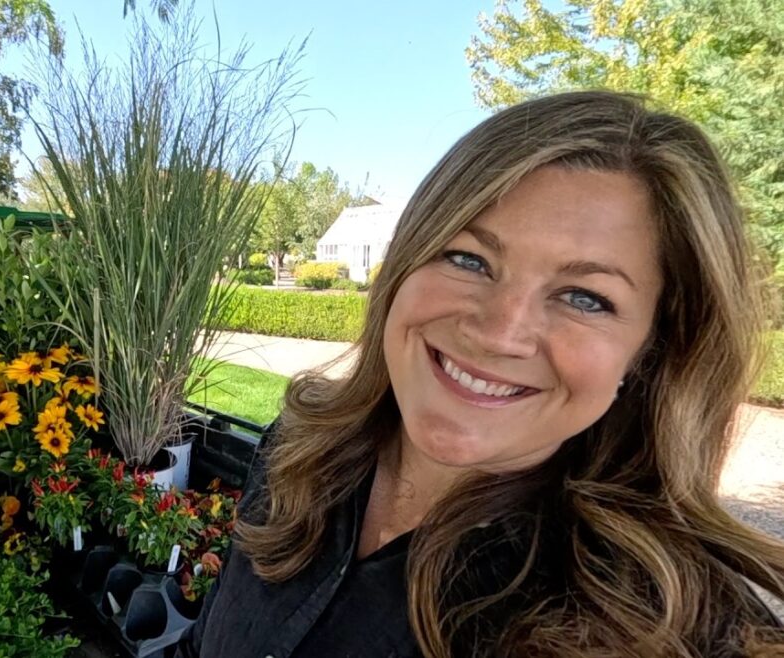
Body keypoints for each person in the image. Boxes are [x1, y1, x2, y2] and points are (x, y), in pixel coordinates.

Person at [176, 90, 784, 658]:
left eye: (585, 298)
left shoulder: (672, 627)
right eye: (469, 259)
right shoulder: (299, 451)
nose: (499, 332)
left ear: (653, 349)